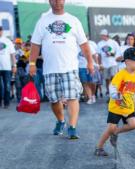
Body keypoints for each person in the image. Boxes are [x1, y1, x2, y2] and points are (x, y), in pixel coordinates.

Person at [29, 0, 94, 139]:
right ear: (49, 1)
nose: (57, 2)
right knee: (54, 100)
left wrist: (90, 62)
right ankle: (61, 121)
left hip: (70, 67)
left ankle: (72, 127)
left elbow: (84, 44)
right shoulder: (43, 21)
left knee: (72, 97)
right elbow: (35, 45)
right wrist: (32, 63)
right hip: (50, 69)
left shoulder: (73, 20)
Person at [95, 47, 135, 156]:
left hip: (128, 107)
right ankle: (99, 147)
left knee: (134, 124)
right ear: (127, 62)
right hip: (117, 107)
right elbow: (112, 86)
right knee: (110, 128)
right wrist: (116, 95)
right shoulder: (121, 74)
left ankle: (116, 132)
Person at [97, 29, 120, 97]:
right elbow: (99, 55)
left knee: (113, 77)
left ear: (106, 35)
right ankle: (109, 91)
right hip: (104, 65)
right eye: (101, 35)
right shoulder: (100, 43)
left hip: (113, 63)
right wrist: (100, 64)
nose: (101, 37)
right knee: (107, 79)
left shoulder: (113, 43)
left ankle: (114, 91)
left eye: (103, 35)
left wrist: (112, 54)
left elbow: (118, 52)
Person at [0, 26, 17, 108]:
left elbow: (12, 54)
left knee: (7, 86)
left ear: (2, 31)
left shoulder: (7, 41)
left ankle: (6, 103)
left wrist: (14, 65)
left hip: (7, 67)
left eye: (0, 30)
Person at [78, 40, 99, 104]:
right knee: (85, 82)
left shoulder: (88, 45)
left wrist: (97, 64)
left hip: (91, 66)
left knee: (92, 82)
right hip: (81, 67)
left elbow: (94, 55)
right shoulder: (76, 46)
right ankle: (90, 97)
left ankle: (93, 95)